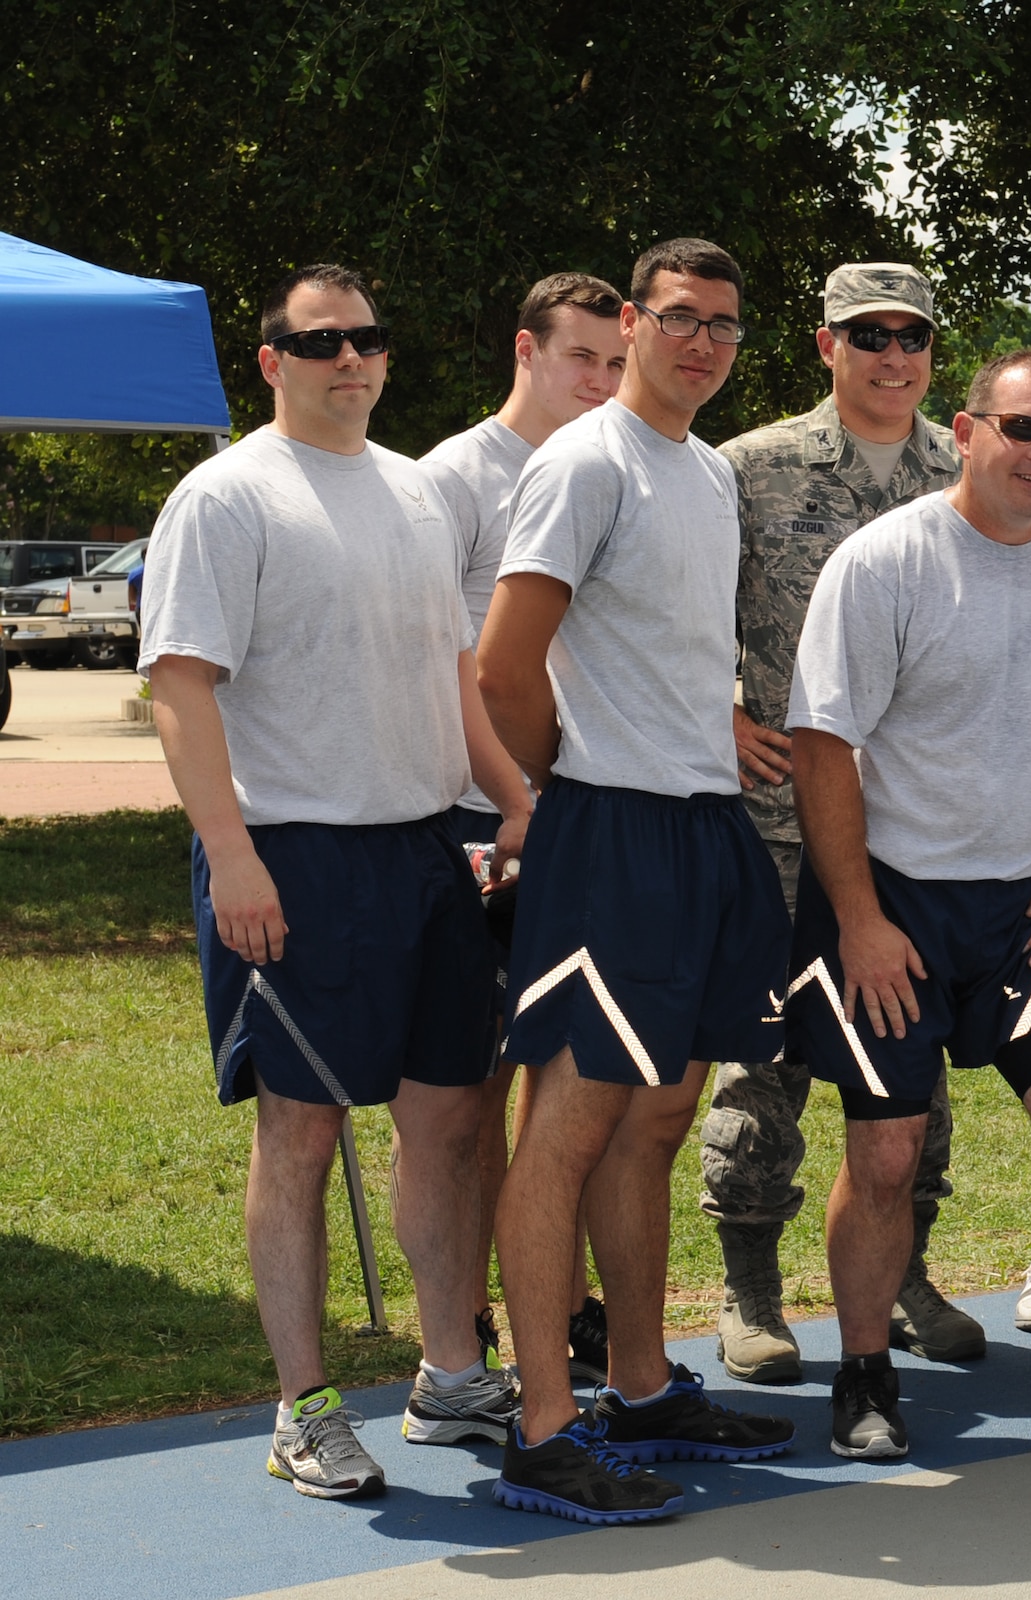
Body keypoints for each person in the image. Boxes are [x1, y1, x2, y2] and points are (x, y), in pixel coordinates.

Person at [143, 263, 533, 1498]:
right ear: (271, 360)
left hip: (425, 849)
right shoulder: (225, 497)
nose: (347, 359)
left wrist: (514, 791)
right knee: (302, 1132)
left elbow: (451, 670)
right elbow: (180, 688)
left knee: (451, 1117)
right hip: (293, 853)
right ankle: (303, 1403)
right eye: (318, 341)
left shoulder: (418, 493)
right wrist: (234, 852)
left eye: (366, 337)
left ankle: (450, 1371)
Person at [785, 347, 1031, 1475]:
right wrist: (857, 917)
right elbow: (820, 747)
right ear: (964, 430)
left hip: (1024, 905)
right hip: (889, 897)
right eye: (1019, 429)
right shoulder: (886, 562)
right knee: (889, 1147)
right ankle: (863, 1372)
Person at [479, 238, 797, 1525]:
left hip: (702, 826)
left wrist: (694, 731)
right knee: (570, 1122)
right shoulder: (585, 459)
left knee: (657, 1115)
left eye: (724, 324)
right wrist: (574, 779)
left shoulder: (704, 473)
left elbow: (661, 646)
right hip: (613, 833)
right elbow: (507, 665)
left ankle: (642, 1384)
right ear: (630, 320)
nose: (703, 343)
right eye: (680, 319)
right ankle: (543, 1431)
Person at [705, 262, 979, 1385]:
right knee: (763, 1060)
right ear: (825, 345)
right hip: (775, 821)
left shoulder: (962, 472)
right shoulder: (745, 470)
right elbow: (671, 614)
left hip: (909, 827)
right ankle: (750, 1288)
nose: (890, 358)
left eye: (909, 337)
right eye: (866, 335)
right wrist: (714, 713)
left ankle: (900, 1274)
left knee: (908, 1067)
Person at [423, 270, 627, 1382]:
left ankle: (566, 1307)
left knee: (573, 1080)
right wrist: (511, 799)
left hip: (583, 815)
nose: (597, 380)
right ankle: (465, 1337)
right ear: (525, 351)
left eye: (612, 359)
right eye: (578, 357)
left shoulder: (614, 467)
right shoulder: (457, 479)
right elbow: (448, 671)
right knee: (473, 1093)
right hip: (481, 818)